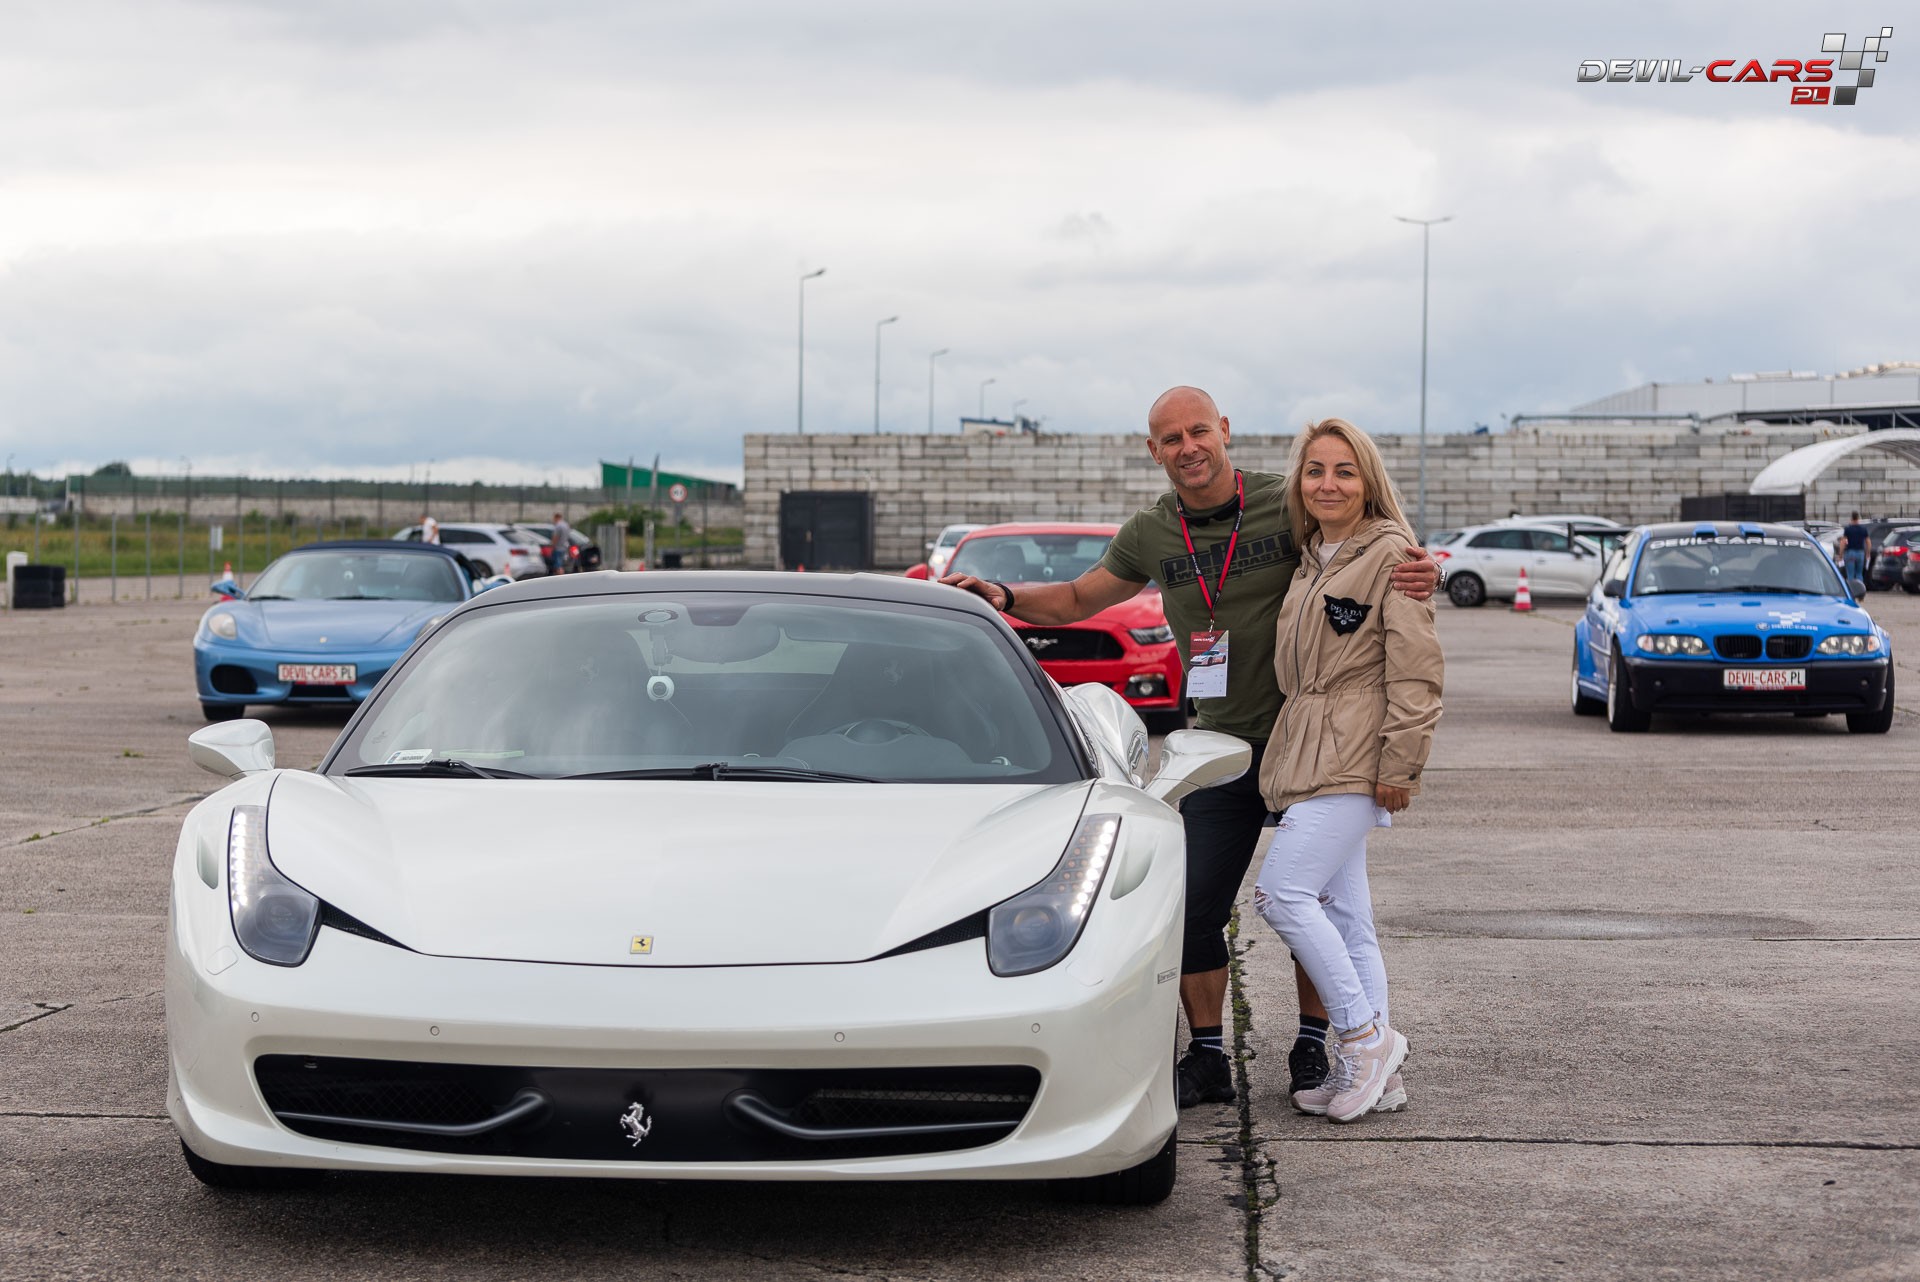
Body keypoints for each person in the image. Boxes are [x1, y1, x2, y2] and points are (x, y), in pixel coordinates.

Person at [941, 386, 1439, 1108]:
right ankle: (1208, 1056)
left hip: (1307, 741)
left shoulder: (1285, 500)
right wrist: (1006, 597)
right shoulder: (1152, 531)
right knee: (1194, 904)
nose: (1188, 447)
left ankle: (1316, 1044)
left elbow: (1358, 531)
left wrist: (1420, 570)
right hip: (1218, 746)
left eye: (1198, 431)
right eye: (1171, 439)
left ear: (1224, 429)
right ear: (1154, 451)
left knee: (1315, 903)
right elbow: (1079, 598)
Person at [1251, 417, 1442, 1123]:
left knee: (1281, 895)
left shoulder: (1392, 555)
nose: (1327, 484)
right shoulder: (1311, 558)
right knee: (1347, 915)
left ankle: (1365, 1038)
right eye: (1315, 470)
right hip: (1308, 752)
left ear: (1368, 482)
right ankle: (1378, 1079)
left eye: (1344, 471)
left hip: (1358, 759)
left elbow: (1417, 672)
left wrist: (1402, 764)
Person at [1840, 513, 1872, 584]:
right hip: (1860, 553)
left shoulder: (1848, 529)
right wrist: (1868, 553)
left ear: (1851, 518)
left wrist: (1840, 554)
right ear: (1858, 518)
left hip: (1850, 553)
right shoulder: (1863, 529)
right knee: (1859, 573)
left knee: (1850, 574)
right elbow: (1868, 542)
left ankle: (1851, 589)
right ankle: (1860, 588)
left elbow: (1843, 542)